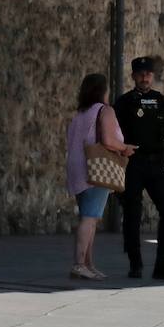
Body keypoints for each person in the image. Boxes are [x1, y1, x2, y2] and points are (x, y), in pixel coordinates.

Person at [115, 56, 164, 280]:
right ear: (133, 76)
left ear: (153, 76)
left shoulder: (161, 101)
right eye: (141, 74)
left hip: (157, 163)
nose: (145, 77)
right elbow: (113, 134)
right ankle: (135, 263)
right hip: (132, 163)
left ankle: (163, 264)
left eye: (148, 74)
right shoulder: (123, 102)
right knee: (132, 213)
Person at [65, 74, 135, 280]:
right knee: (90, 217)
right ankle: (79, 264)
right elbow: (108, 140)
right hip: (96, 167)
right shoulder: (105, 110)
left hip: (77, 166)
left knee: (89, 216)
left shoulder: (80, 114)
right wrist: (125, 148)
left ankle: (88, 264)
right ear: (103, 91)